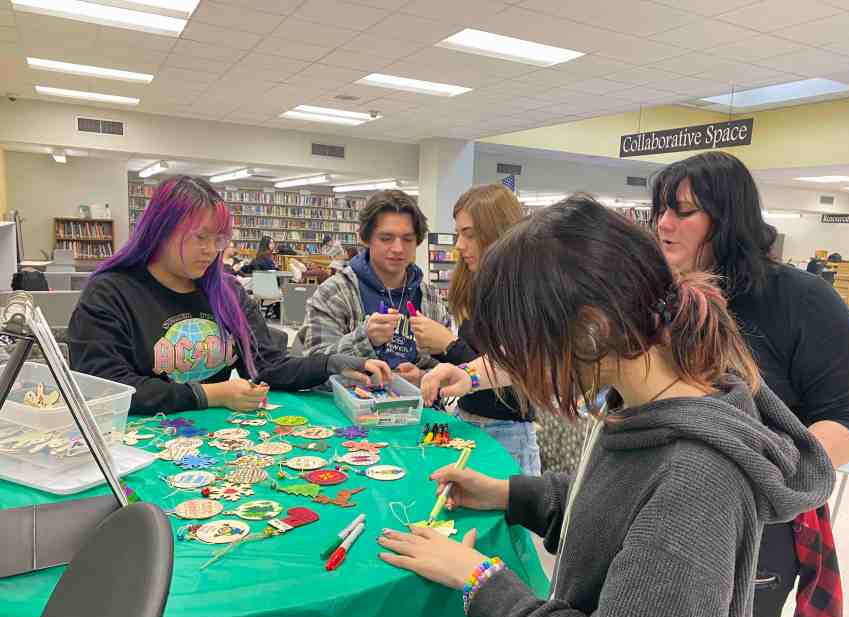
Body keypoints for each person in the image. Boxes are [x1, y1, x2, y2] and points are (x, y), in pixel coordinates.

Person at [379, 196, 833, 617]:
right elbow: (611, 513)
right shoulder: (634, 405)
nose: (517, 367)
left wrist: (480, 581)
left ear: (591, 330)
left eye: (524, 346)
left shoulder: (695, 481)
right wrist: (509, 494)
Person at [651, 151, 849, 617]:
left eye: (683, 211)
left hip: (753, 530)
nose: (663, 223)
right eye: (660, 209)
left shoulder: (799, 298)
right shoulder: (660, 296)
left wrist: (762, 478)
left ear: (727, 220)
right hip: (656, 509)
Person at [68, 176, 390, 416]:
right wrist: (212, 394)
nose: (211, 250)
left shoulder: (227, 292)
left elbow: (268, 366)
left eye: (219, 239)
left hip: (214, 441)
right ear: (160, 231)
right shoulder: (110, 293)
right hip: (138, 442)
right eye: (200, 237)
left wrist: (329, 364)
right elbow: (106, 387)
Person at [406, 184, 540, 475]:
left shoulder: (522, 295)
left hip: (506, 431)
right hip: (468, 419)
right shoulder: (478, 287)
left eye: (469, 234)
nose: (458, 245)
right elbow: (478, 365)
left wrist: (449, 345)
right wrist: (434, 365)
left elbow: (514, 374)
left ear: (497, 233)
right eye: (458, 234)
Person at [295, 189, 450, 373]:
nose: (398, 248)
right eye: (386, 238)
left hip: (416, 393)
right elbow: (314, 364)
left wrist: (423, 377)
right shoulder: (333, 293)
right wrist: (364, 339)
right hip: (350, 392)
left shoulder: (431, 299)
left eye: (407, 239)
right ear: (365, 238)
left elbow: (450, 369)